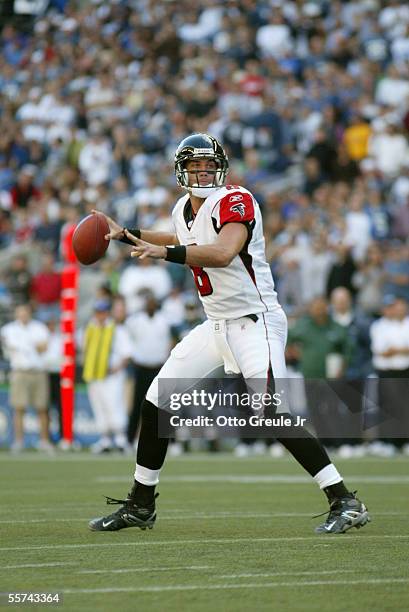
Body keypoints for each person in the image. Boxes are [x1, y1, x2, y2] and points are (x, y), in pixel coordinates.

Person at [89, 133, 370, 534]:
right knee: (157, 401)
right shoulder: (181, 209)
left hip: (255, 321)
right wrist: (129, 234)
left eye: (208, 164)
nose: (202, 172)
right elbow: (180, 239)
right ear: (180, 171)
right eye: (194, 166)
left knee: (273, 414)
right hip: (217, 324)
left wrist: (164, 254)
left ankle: (344, 499)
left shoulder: (236, 200)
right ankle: (141, 504)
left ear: (220, 166)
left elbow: (222, 251)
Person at [82, 300, 133, 453]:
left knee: (114, 404)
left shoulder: (117, 329)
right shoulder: (91, 328)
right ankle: (105, 439)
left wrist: (116, 368)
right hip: (94, 374)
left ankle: (120, 439)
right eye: (98, 312)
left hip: (112, 375)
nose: (100, 315)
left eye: (103, 312)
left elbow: (127, 353)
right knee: (99, 405)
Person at [0, 303, 51, 452]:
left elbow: (43, 348)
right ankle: (19, 441)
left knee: (42, 407)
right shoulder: (9, 329)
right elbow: (7, 346)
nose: (23, 315)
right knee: (19, 407)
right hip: (20, 371)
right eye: (20, 312)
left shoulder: (39, 328)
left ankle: (44, 441)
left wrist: (28, 347)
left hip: (38, 371)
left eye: (25, 312)